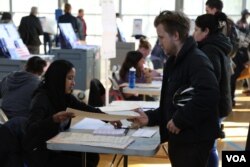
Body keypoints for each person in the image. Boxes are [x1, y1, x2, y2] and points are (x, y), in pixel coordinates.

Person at [131, 10, 220, 167]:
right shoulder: (174, 62)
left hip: (193, 140)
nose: (159, 43)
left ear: (176, 36)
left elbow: (209, 94)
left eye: (161, 37)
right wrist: (150, 117)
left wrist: (180, 120)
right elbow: (172, 103)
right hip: (182, 138)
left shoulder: (196, 60)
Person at [22, 60, 101, 167]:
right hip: (41, 153)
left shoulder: (65, 96)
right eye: (69, 78)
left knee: (92, 156)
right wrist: (53, 119)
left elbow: (85, 108)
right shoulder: (41, 99)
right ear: (58, 79)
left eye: (73, 78)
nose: (73, 83)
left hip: (57, 146)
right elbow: (30, 129)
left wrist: (110, 119)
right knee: (85, 163)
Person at [193, 12, 232, 167]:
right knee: (210, 146)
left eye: (196, 29)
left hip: (213, 106)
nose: (193, 33)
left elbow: (210, 82)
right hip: (219, 103)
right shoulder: (217, 45)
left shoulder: (209, 50)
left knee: (209, 147)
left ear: (206, 31)